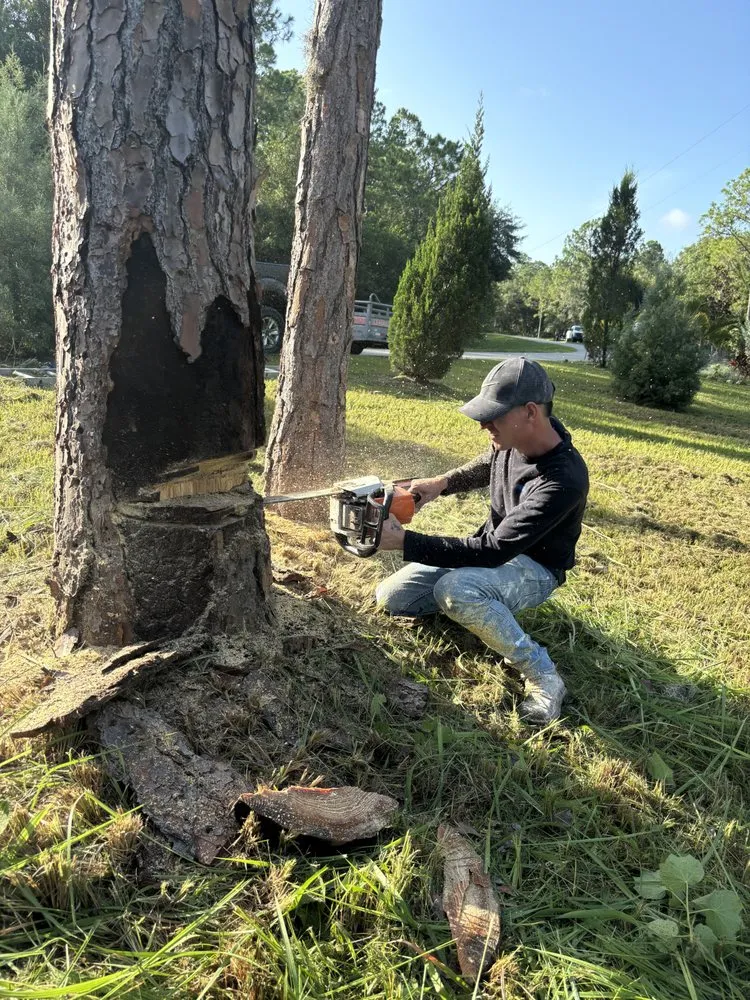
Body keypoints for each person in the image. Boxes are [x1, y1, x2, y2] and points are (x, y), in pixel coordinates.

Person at [375, 357, 589, 725]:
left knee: (457, 591)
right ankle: (484, 611)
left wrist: (404, 542)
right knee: (393, 599)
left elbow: (494, 552)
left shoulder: (562, 479)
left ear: (530, 412)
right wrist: (440, 484)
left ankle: (544, 676)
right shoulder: (515, 437)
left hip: (535, 567)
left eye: (493, 416)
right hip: (493, 549)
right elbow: (488, 463)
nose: (483, 424)